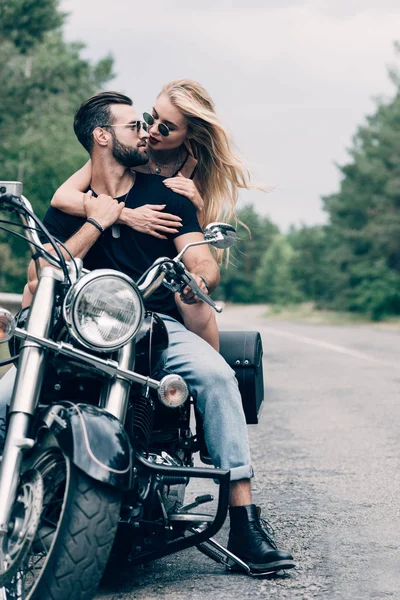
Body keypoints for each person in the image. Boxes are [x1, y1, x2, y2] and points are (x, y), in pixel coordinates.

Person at [6, 91, 295, 574]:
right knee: (4, 396)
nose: (145, 132)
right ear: (103, 137)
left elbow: (200, 256)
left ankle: (245, 522)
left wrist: (196, 277)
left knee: (219, 379)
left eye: (151, 123)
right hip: (79, 329)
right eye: (133, 124)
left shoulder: (165, 193)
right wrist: (101, 219)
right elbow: (45, 272)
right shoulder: (65, 208)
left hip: (153, 325)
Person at [50, 80, 257, 352]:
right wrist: (126, 215)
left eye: (166, 127)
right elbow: (62, 197)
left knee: (197, 309)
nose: (151, 130)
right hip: (111, 287)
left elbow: (197, 242)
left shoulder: (191, 171)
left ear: (189, 135)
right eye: (150, 118)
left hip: (164, 270)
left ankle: (213, 368)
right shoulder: (126, 152)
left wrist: (199, 206)